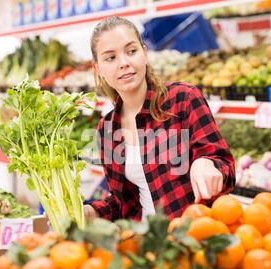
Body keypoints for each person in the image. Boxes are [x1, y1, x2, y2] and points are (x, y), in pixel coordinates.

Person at [83, 16, 235, 221]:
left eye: (131, 51)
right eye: (110, 58)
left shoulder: (183, 99)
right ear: (98, 69)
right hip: (146, 243)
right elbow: (123, 203)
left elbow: (225, 167)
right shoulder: (107, 128)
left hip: (196, 236)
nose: (124, 63)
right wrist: (92, 212)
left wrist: (207, 164)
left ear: (144, 53)